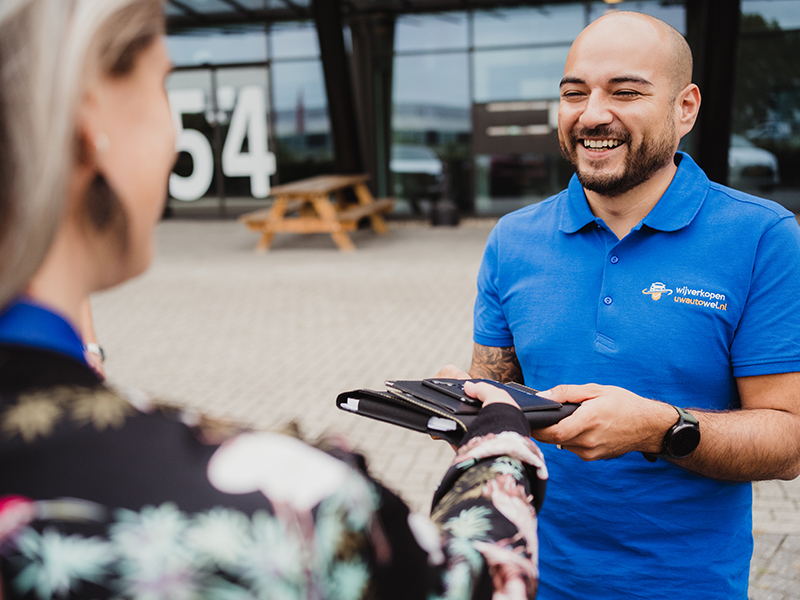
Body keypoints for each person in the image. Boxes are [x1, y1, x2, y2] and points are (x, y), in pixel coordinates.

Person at [0, 2, 548, 599]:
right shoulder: (288, 511)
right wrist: (498, 439)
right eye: (162, 86)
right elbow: (479, 582)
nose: (174, 134)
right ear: (88, 119)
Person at [445, 10, 800, 600]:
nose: (592, 115)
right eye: (574, 93)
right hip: (530, 576)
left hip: (686, 586)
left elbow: (788, 442)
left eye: (626, 92)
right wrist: (466, 413)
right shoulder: (513, 238)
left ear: (685, 108)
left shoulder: (762, 237)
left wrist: (658, 429)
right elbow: (498, 399)